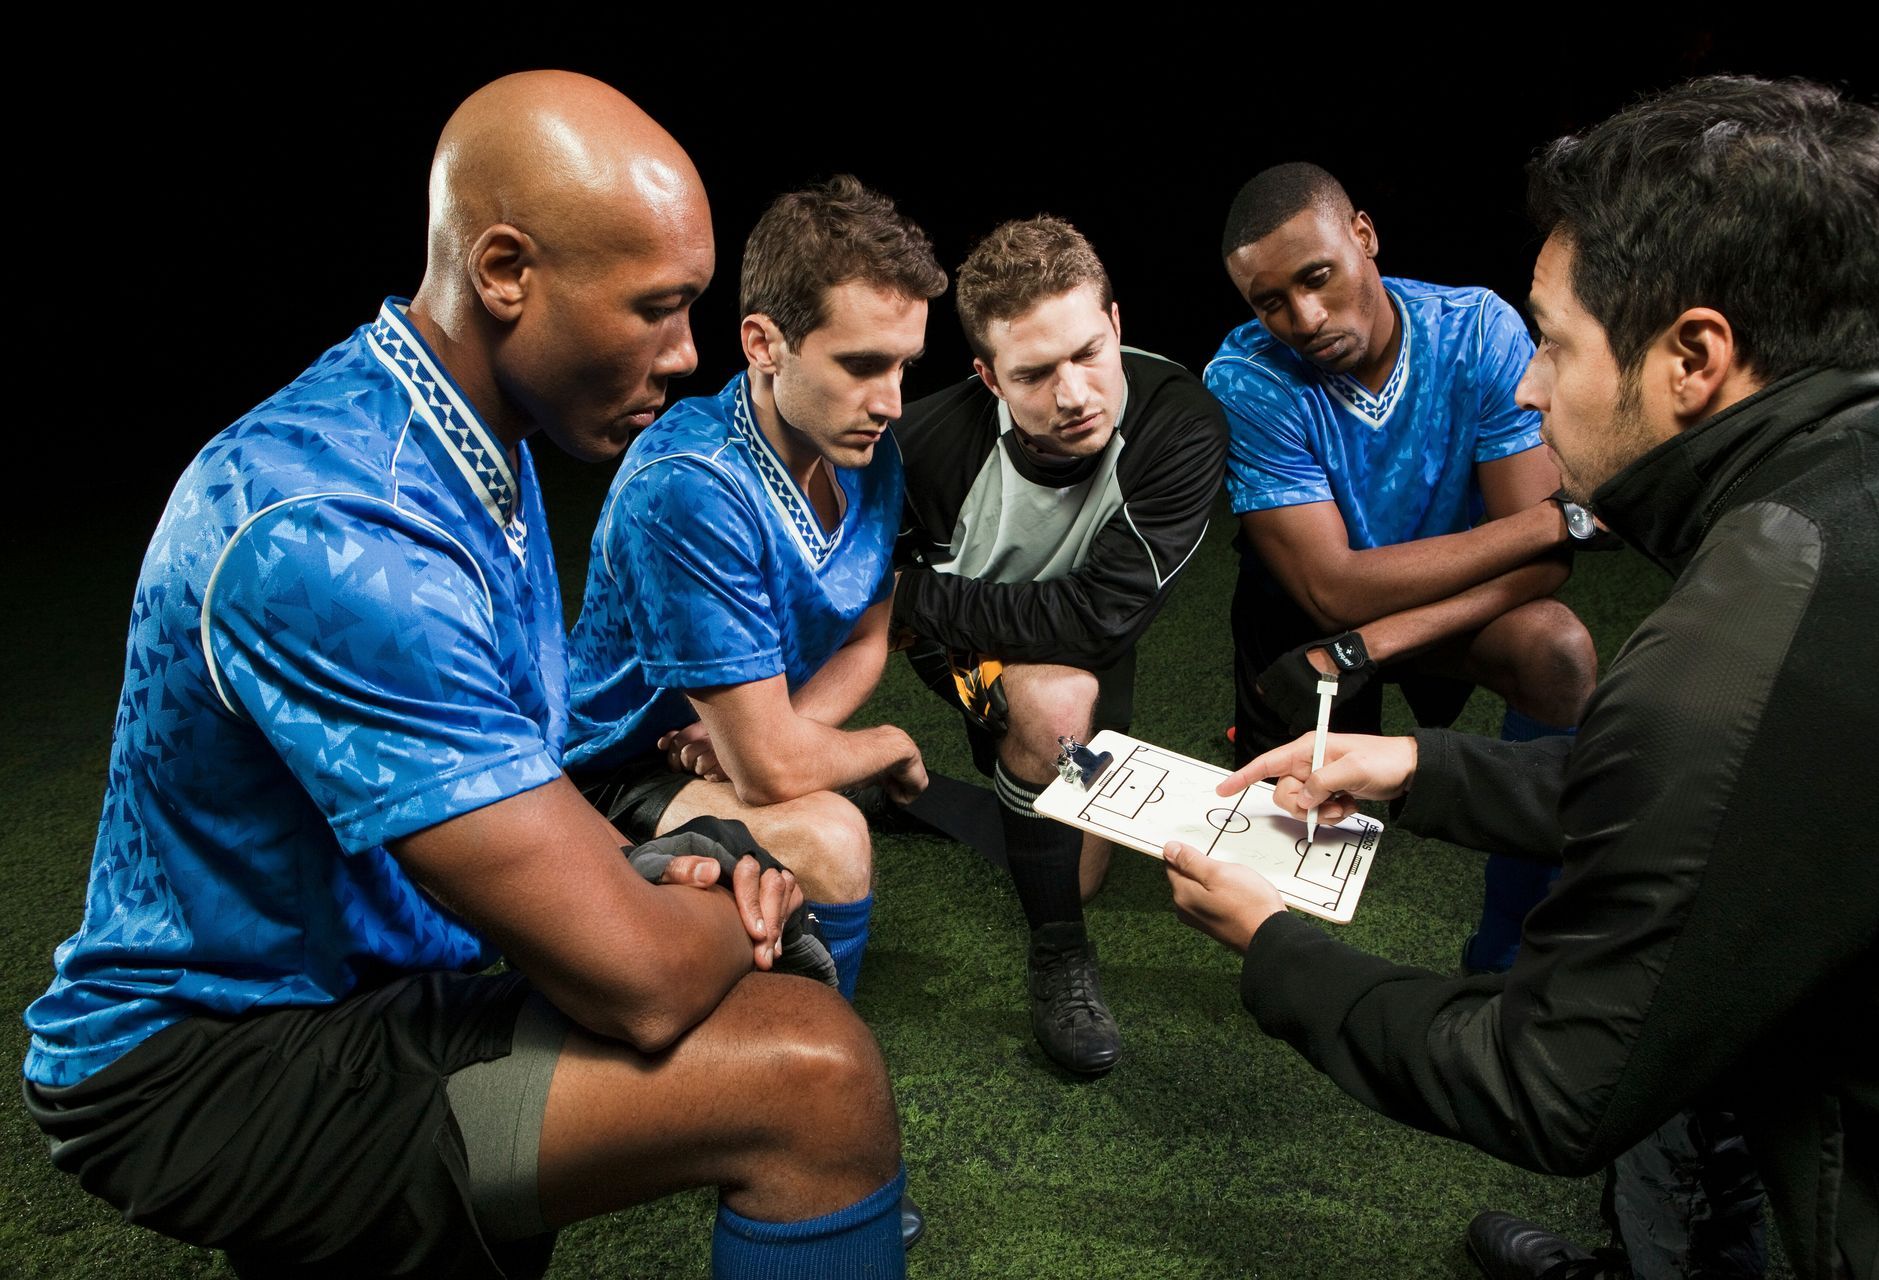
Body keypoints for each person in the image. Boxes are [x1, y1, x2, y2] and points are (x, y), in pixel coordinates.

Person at [21, 73, 912, 1278]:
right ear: (505, 273)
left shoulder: (458, 429)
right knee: (818, 1075)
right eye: (658, 307)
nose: (687, 352)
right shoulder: (341, 526)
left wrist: (644, 875)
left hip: (377, 977)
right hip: (206, 1051)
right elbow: (642, 982)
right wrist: (714, 902)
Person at [1166, 76, 1879, 1280]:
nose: (1527, 386)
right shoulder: (1868, 482)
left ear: (1694, 358)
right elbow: (1726, 793)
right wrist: (1419, 766)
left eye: (1555, 342)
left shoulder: (1734, 635)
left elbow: (1552, 1083)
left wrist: (1275, 949)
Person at [1205, 164, 1601, 974]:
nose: (1303, 318)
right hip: (1299, 622)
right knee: (1287, 839)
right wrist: (1546, 520)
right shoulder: (1245, 376)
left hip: (1436, 612)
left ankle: (1507, 952)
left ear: (1364, 236)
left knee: (1558, 650)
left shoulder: (1476, 329)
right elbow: (1332, 590)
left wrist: (1375, 644)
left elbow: (1547, 567)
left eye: (1317, 277)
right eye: (1268, 301)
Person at [564, 175, 945, 1000]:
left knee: (805, 807)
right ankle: (794, 1063)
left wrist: (777, 735)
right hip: (605, 778)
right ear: (764, 343)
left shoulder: (869, 456)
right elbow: (773, 774)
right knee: (833, 835)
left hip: (731, 745)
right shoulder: (689, 485)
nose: (891, 401)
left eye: (905, 366)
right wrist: (889, 746)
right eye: (861, 364)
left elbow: (865, 637)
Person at [892, 216, 1229, 1075]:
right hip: (964, 657)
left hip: (1083, 639)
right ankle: (1059, 959)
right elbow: (869, 610)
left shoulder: (1174, 422)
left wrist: (918, 595)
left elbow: (1102, 620)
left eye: (1087, 352)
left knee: (1078, 856)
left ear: (1116, 324)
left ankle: (908, 795)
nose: (1073, 394)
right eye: (1034, 374)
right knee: (1052, 712)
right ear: (987, 377)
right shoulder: (922, 448)